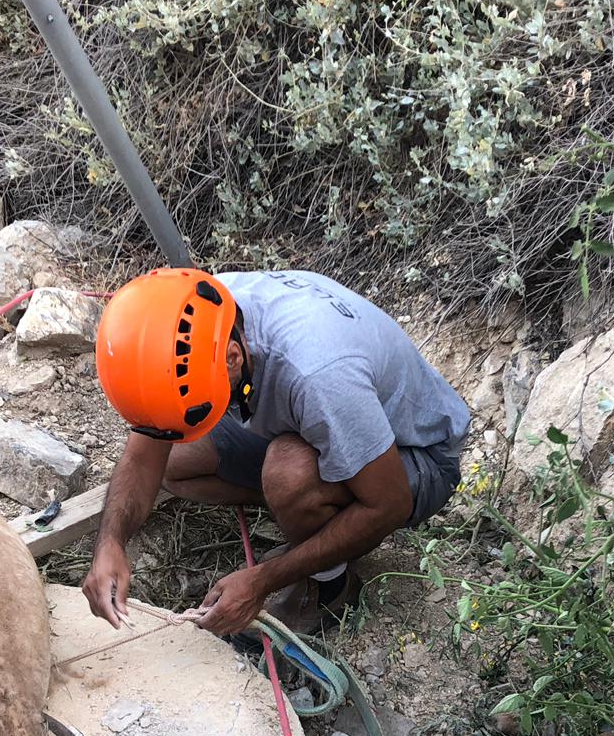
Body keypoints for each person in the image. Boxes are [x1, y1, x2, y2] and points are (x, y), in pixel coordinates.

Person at [83, 267, 469, 636]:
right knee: (178, 461)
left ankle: (331, 588)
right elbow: (143, 456)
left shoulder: (319, 375)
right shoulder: (199, 315)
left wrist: (262, 580)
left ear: (233, 358)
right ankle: (308, 512)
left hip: (416, 457)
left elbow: (389, 504)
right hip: (317, 421)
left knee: (287, 475)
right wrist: (111, 542)